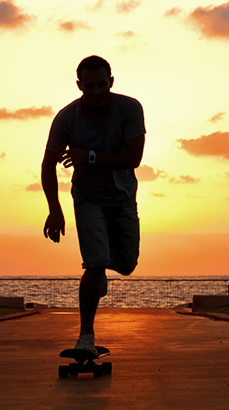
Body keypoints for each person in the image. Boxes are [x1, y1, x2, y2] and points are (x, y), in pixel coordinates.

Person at [41, 55, 146, 353]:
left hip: (122, 198)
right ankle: (86, 336)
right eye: (89, 86)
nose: (96, 92)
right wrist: (54, 210)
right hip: (88, 198)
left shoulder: (129, 108)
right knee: (95, 263)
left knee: (126, 265)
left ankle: (101, 270)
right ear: (79, 86)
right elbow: (48, 165)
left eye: (102, 84)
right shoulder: (66, 118)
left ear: (111, 82)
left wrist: (89, 156)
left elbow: (133, 158)